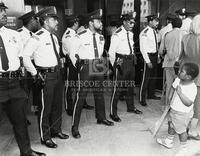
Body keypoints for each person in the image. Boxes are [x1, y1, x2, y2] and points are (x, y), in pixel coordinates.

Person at [0, 2, 45, 156]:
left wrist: (26, 76)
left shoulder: (13, 34)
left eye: (3, 11)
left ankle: (26, 152)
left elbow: (21, 57)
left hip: (14, 83)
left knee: (20, 122)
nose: (3, 14)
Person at [23, 7, 69, 148]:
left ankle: (56, 130)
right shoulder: (37, 37)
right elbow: (25, 56)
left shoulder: (54, 37)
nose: (57, 23)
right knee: (45, 108)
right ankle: (46, 136)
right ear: (46, 21)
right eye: (54, 20)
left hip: (57, 74)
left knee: (57, 105)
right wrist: (35, 73)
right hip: (46, 76)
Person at [70, 9, 114, 139]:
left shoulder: (101, 37)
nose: (100, 23)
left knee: (100, 93)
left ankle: (101, 118)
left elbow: (101, 53)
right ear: (90, 23)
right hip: (86, 65)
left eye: (100, 21)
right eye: (97, 21)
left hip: (99, 64)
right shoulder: (80, 35)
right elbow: (72, 53)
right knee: (81, 96)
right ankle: (75, 126)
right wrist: (79, 67)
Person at [157, 63, 199, 156]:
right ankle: (168, 141)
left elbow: (188, 103)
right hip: (173, 109)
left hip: (182, 113)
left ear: (188, 77)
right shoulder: (178, 79)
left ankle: (183, 149)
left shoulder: (192, 88)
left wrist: (180, 93)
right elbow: (173, 87)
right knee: (171, 124)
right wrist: (170, 95)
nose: (178, 72)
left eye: (181, 71)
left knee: (181, 131)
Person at [108, 12, 142, 122]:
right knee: (117, 89)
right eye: (130, 22)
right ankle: (113, 113)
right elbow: (111, 52)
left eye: (133, 22)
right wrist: (115, 66)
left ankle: (131, 107)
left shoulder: (130, 34)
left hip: (130, 61)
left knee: (130, 86)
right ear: (124, 22)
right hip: (121, 61)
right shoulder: (117, 34)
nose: (132, 24)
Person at [62, 15, 94, 116]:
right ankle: (69, 107)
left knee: (80, 84)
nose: (78, 24)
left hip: (78, 62)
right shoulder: (69, 35)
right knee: (70, 86)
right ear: (75, 23)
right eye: (77, 22)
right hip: (72, 63)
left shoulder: (74, 34)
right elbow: (72, 52)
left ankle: (82, 103)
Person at [179, 14, 200, 139]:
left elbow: (181, 57)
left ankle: (184, 127)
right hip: (199, 76)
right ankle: (192, 131)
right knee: (197, 104)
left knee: (187, 103)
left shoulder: (185, 37)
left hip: (187, 75)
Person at [18, 11, 41, 122]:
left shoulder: (34, 34)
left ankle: (35, 110)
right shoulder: (19, 34)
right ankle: (22, 117)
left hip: (35, 65)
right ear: (31, 21)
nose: (37, 23)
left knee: (36, 90)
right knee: (25, 93)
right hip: (25, 67)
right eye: (35, 21)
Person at [159, 18, 186, 106]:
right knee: (180, 86)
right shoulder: (185, 34)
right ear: (181, 25)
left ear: (172, 25)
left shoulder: (167, 34)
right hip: (180, 64)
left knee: (169, 86)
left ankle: (168, 106)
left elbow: (160, 51)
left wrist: (165, 57)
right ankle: (176, 106)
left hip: (168, 63)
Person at [139, 14, 161, 107]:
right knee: (146, 78)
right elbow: (142, 48)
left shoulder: (155, 32)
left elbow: (156, 45)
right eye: (155, 21)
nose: (157, 23)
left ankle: (151, 94)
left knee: (153, 77)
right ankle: (142, 98)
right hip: (148, 56)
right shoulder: (145, 32)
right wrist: (147, 61)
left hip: (155, 56)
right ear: (150, 21)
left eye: (157, 21)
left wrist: (158, 56)